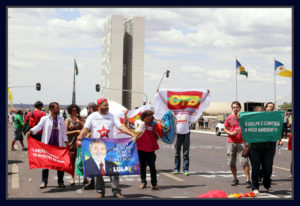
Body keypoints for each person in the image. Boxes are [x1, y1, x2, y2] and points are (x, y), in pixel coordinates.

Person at [77, 98, 137, 198]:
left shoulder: (112, 116)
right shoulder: (92, 116)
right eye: (105, 105)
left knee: (114, 169)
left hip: (110, 146)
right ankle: (100, 191)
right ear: (99, 106)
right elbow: (85, 128)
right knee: (98, 170)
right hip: (96, 146)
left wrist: (131, 134)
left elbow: (120, 127)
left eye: (107, 105)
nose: (107, 107)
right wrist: (81, 135)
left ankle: (116, 191)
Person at [26, 102, 69, 189]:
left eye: (58, 107)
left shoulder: (61, 119)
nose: (58, 109)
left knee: (60, 164)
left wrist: (66, 141)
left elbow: (64, 132)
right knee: (45, 164)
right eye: (57, 108)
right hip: (47, 145)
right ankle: (44, 182)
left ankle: (60, 182)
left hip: (58, 145)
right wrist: (31, 131)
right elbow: (38, 127)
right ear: (51, 109)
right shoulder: (45, 118)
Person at [174, 90, 210, 176]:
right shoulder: (175, 112)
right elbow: (165, 104)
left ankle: (185, 169)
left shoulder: (189, 112)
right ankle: (176, 168)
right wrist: (159, 93)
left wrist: (205, 94)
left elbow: (199, 104)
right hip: (177, 134)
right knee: (177, 153)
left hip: (186, 134)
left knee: (186, 153)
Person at [224, 101, 251, 188]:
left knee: (244, 161)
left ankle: (248, 180)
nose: (235, 108)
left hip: (242, 142)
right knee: (231, 161)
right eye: (234, 107)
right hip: (231, 142)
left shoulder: (244, 118)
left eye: (237, 107)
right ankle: (235, 178)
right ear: (232, 108)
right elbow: (225, 129)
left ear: (240, 108)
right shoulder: (229, 118)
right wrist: (231, 133)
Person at [134, 110, 161, 190]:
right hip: (140, 148)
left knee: (152, 167)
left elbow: (159, 133)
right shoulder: (138, 124)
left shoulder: (153, 125)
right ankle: (143, 182)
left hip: (150, 149)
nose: (149, 120)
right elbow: (134, 133)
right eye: (147, 118)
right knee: (142, 166)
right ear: (143, 118)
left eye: (150, 118)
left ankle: (154, 183)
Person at [65, 104, 84, 185]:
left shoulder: (80, 119)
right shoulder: (67, 120)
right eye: (73, 110)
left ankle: (85, 178)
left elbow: (86, 127)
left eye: (76, 110)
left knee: (82, 161)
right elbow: (66, 132)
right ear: (70, 111)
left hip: (81, 143)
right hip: (72, 143)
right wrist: (75, 131)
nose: (75, 112)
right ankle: (72, 178)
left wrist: (79, 121)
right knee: (72, 162)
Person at [83, 102, 98, 190]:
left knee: (93, 164)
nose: (88, 110)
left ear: (91, 108)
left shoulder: (91, 116)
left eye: (88, 108)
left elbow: (89, 130)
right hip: (104, 142)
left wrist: (83, 138)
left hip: (94, 143)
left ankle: (93, 182)